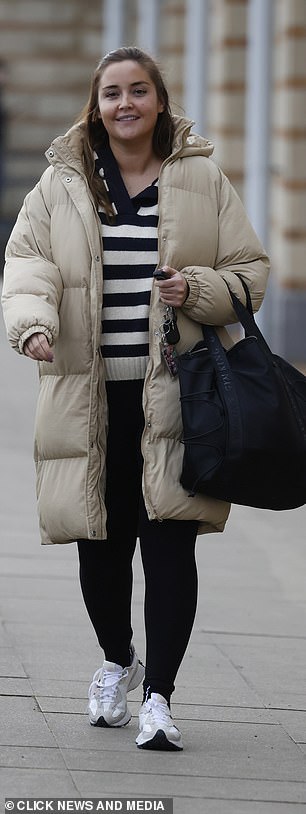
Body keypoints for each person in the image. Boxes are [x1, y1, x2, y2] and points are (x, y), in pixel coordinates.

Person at [1, 46, 269, 751]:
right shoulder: (61, 183)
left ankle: (160, 698)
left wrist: (199, 290)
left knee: (171, 547)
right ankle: (119, 661)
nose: (126, 104)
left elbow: (250, 272)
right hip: (87, 399)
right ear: (97, 104)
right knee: (100, 546)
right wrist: (32, 325)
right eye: (113, 92)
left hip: (179, 399)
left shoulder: (202, 177)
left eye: (139, 91)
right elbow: (26, 261)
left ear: (159, 99)